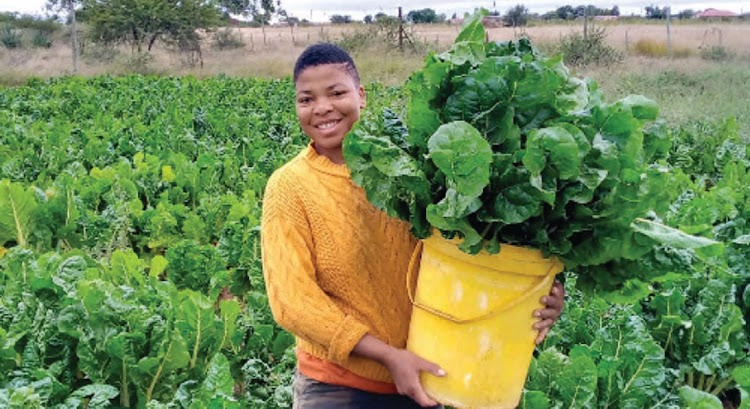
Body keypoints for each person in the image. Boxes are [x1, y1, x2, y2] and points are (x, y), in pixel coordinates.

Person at [261, 43, 565, 409]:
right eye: (306, 99)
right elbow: (293, 304)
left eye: (337, 92)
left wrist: (540, 296)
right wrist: (388, 356)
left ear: (361, 95)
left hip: (438, 376)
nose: (322, 108)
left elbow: (481, 259)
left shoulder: (415, 168)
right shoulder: (290, 186)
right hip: (338, 386)